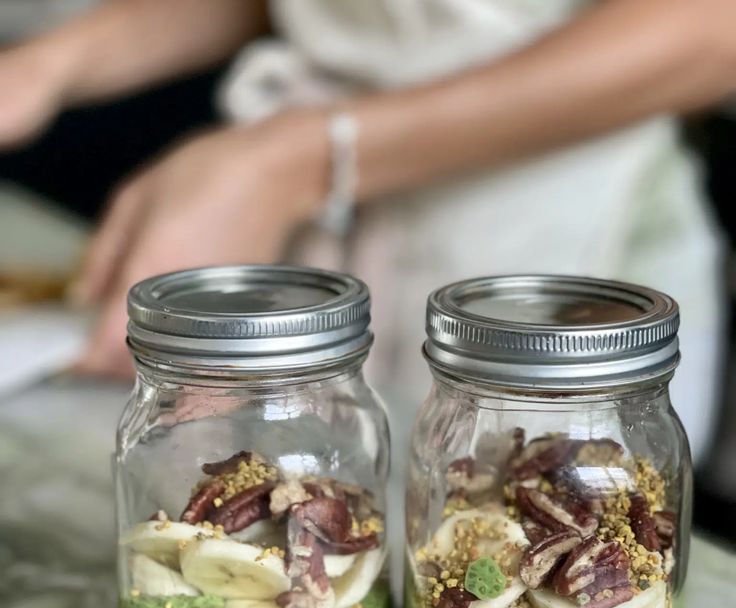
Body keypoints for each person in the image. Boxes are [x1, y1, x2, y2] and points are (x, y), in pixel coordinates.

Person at [1, 0, 734, 462]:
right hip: (328, 233)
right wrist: (50, 67)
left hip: (557, 258)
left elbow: (712, 27)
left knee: (529, 540)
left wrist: (305, 158)